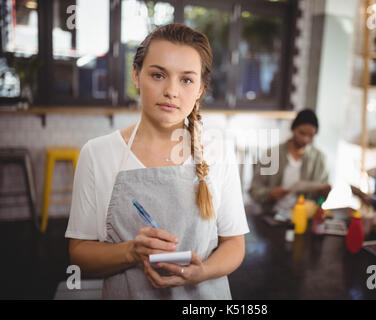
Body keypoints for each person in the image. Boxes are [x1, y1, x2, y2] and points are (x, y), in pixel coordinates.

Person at [65, 24, 249, 299]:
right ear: (136, 76)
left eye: (186, 79)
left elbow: (234, 244)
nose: (171, 91)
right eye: (158, 75)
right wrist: (131, 251)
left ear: (200, 88)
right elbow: (80, 254)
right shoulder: (97, 154)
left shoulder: (219, 152)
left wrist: (203, 271)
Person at [249, 109, 330, 215]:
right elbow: (254, 190)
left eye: (310, 135)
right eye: (302, 133)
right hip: (271, 214)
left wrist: (324, 195)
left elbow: (321, 201)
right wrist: (270, 194)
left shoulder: (319, 158)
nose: (305, 139)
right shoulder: (272, 154)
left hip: (304, 216)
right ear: (293, 129)